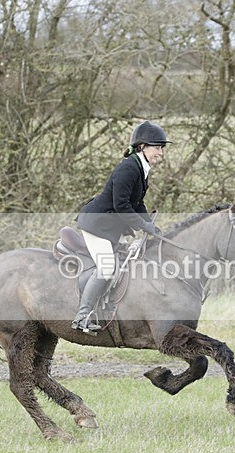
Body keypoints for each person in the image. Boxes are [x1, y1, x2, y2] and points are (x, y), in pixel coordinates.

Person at [72, 120, 170, 334]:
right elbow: (121, 205)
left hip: (111, 227)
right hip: (97, 225)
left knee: (129, 262)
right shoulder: (128, 168)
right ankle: (82, 316)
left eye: (162, 148)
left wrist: (149, 226)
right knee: (107, 267)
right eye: (157, 147)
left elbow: (137, 203)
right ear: (142, 147)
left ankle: (109, 307)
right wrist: (143, 225)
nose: (161, 153)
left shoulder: (141, 168)